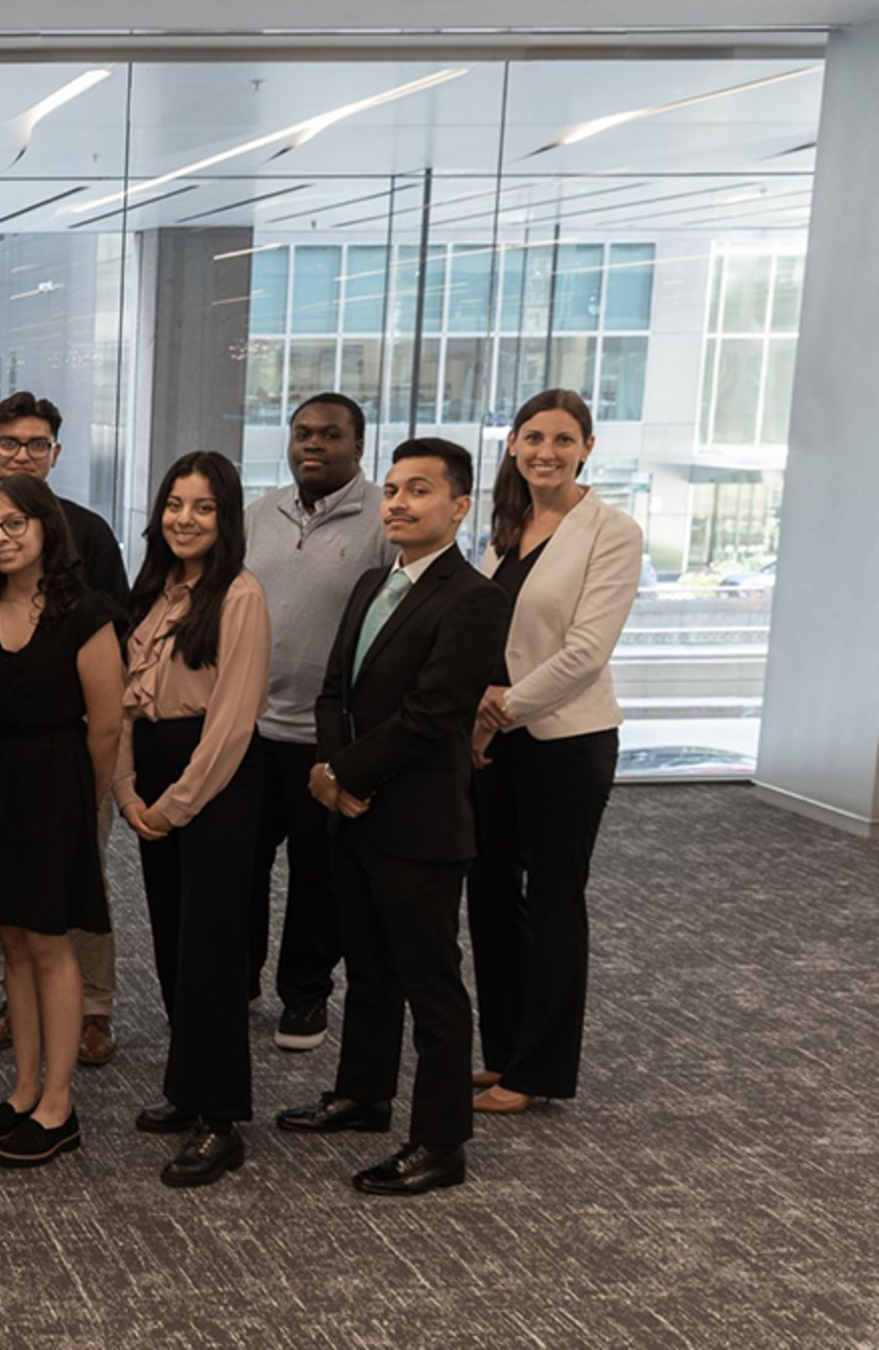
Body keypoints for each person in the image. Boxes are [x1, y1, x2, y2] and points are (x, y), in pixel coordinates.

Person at [277, 438, 511, 1197]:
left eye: (420, 491)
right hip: (354, 811)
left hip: (419, 826)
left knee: (431, 985)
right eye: (394, 491)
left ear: (460, 506)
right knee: (369, 971)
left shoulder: (474, 599)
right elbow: (332, 690)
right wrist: (332, 776)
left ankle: (441, 1142)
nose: (400, 504)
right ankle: (364, 1096)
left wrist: (341, 772)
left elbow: (433, 716)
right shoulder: (376, 579)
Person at [0, 391, 127, 1068]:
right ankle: (19, 1009)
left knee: (71, 905)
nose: (22, 454)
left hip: (64, 761)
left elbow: (107, 667)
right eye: (9, 444)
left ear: (55, 454)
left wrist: (91, 790)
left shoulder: (89, 534)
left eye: (36, 444)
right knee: (14, 917)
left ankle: (92, 1010)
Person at [468, 390, 644, 1115]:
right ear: (512, 444)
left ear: (587, 448)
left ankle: (538, 1070)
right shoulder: (505, 527)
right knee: (489, 896)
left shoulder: (611, 531)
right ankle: (504, 1053)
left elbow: (584, 652)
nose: (546, 451)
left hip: (564, 740)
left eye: (563, 440)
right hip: (494, 740)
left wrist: (499, 709)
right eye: (533, 437)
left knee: (553, 903)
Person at [116, 451, 271, 1189]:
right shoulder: (153, 589)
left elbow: (233, 725)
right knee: (175, 948)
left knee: (211, 956)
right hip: (152, 777)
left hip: (212, 788)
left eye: (203, 507)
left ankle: (222, 1119)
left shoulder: (239, 596)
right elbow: (123, 700)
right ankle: (187, 1088)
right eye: (175, 504)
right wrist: (126, 791)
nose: (184, 519)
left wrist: (173, 804)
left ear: (227, 517)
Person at [241, 393, 394, 1052]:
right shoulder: (258, 514)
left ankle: (304, 996)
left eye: (330, 435)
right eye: (303, 433)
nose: (312, 445)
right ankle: (236, 980)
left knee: (317, 878)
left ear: (358, 447)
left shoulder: (384, 522)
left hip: (326, 740)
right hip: (250, 730)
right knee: (239, 869)